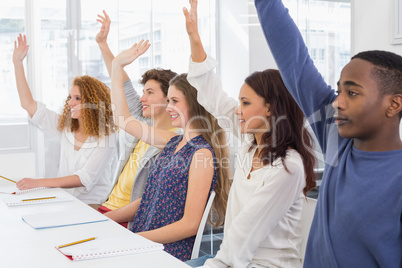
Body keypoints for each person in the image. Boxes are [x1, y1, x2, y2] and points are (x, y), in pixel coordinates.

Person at [254, 0, 402, 267]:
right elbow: (294, 60)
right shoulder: (338, 140)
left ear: (393, 105)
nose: (338, 101)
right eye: (339, 90)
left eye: (352, 93)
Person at [183, 1, 317, 267]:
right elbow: (212, 94)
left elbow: (247, 230)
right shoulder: (251, 145)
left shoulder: (287, 166)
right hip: (232, 258)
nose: (238, 111)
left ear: (269, 108)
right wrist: (194, 37)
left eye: (246, 103)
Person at [104, 40, 231, 261]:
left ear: (194, 103)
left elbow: (190, 225)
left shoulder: (202, 154)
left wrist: (137, 240)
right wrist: (116, 66)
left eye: (174, 101)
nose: (168, 106)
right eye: (168, 100)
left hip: (164, 252)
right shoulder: (173, 141)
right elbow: (123, 120)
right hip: (142, 241)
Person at [95, 11, 178, 228]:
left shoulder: (174, 140)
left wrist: (117, 66)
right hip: (107, 207)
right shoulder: (143, 121)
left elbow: (150, 200)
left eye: (150, 92)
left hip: (126, 220)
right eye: (144, 91)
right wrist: (103, 44)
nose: (142, 98)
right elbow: (120, 83)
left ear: (170, 98)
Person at [13, 34, 117, 205]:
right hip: (64, 200)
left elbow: (84, 178)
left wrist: (40, 182)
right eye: (70, 97)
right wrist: (17, 63)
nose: (70, 103)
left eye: (78, 98)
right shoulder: (66, 126)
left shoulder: (106, 135)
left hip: (91, 205)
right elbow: (28, 104)